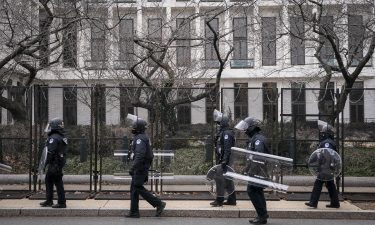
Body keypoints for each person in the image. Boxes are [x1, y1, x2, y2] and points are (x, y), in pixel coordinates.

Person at [126, 114, 166, 218]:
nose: (132, 128)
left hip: (140, 167)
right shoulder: (141, 137)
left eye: (134, 126)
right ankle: (134, 212)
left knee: (137, 187)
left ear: (138, 128)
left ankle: (159, 203)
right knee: (134, 188)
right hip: (140, 166)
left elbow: (139, 155)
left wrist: (133, 167)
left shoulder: (140, 139)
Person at [235, 117, 269, 225]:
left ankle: (262, 215)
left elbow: (258, 157)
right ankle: (262, 215)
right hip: (255, 170)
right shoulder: (254, 138)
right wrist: (246, 169)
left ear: (252, 128)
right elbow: (251, 157)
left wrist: (251, 170)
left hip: (258, 171)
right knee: (258, 191)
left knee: (252, 191)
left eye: (246, 128)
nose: (245, 131)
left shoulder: (258, 139)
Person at [305, 120, 340, 209]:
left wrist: (312, 162)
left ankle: (313, 203)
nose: (322, 134)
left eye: (323, 133)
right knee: (330, 185)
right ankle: (335, 203)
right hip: (329, 168)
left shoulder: (326, 143)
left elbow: (324, 154)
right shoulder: (329, 142)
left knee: (318, 184)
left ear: (326, 133)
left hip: (325, 168)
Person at [210, 110, 237, 207]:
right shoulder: (224, 132)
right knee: (228, 179)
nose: (218, 125)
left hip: (225, 160)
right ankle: (232, 199)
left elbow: (227, 148)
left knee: (219, 178)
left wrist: (224, 160)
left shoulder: (226, 133)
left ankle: (219, 200)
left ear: (223, 123)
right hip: (224, 159)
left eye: (219, 123)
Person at [39, 118, 67, 208]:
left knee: (57, 183)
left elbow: (49, 152)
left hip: (54, 164)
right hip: (59, 163)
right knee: (49, 181)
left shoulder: (53, 138)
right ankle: (49, 200)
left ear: (54, 126)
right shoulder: (61, 136)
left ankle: (61, 202)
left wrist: (43, 165)